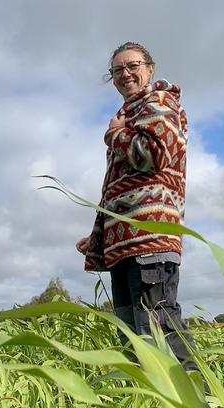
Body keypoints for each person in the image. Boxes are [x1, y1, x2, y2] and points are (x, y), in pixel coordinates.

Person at [76, 41, 197, 370]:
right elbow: (117, 190)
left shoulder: (158, 101)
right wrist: (100, 236)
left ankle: (201, 406)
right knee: (134, 339)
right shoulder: (129, 114)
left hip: (150, 241)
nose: (125, 74)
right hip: (127, 245)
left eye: (132, 66)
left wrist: (115, 135)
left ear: (150, 68)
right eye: (117, 70)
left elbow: (154, 156)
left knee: (158, 328)